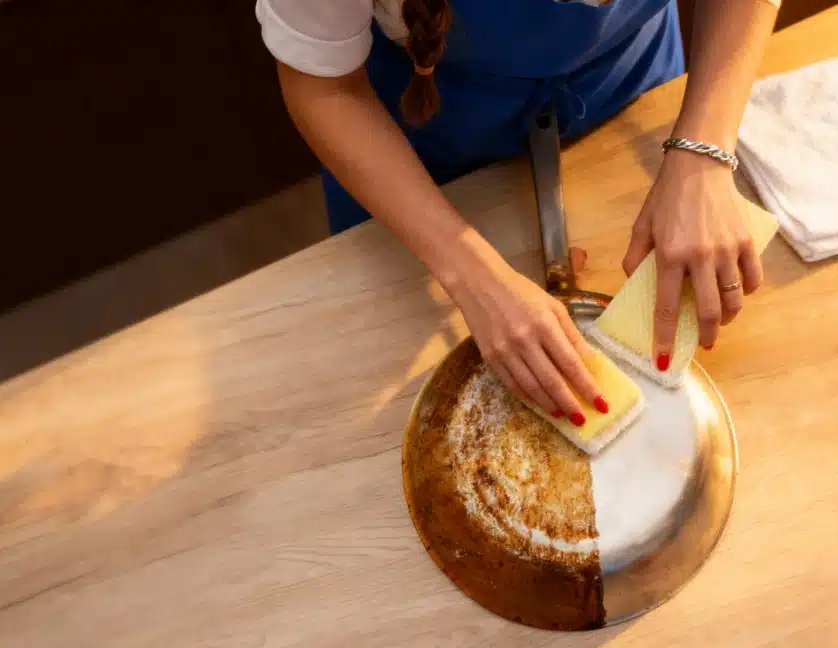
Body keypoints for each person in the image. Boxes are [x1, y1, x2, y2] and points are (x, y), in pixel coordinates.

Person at [256, 0, 779, 426]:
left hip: (629, 89)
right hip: (423, 148)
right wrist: (473, 276)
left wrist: (701, 152)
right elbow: (325, 89)